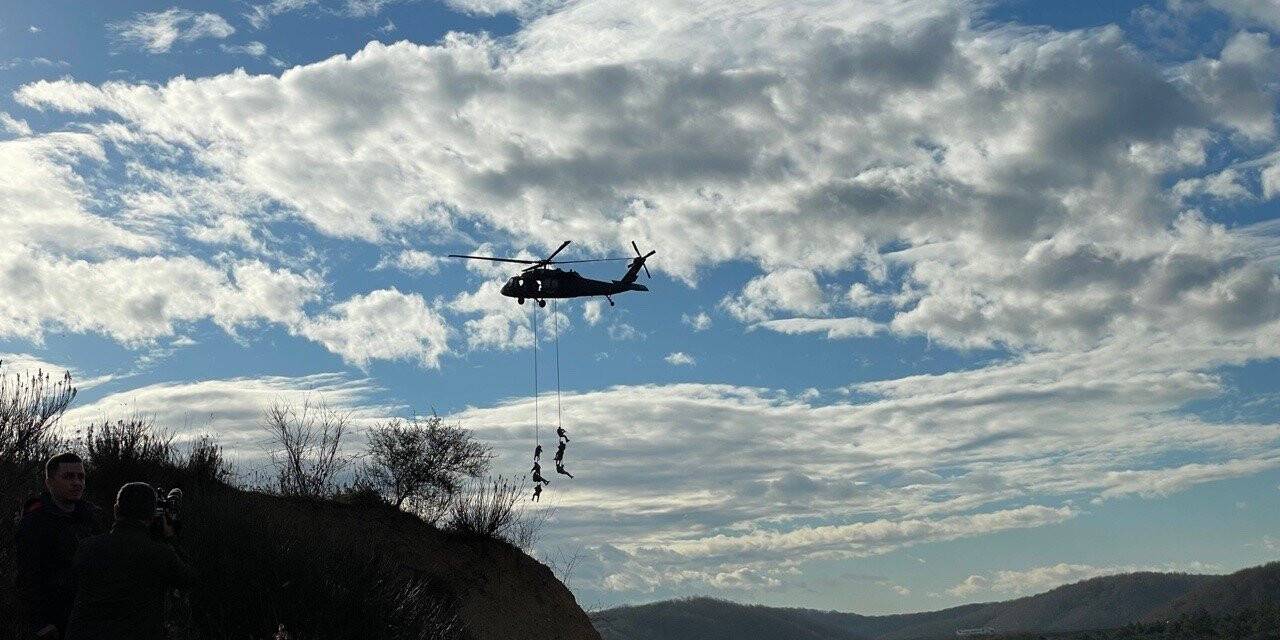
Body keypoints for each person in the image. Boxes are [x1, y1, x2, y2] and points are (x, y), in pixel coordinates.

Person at [64, 482, 196, 640]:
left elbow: (70, 589)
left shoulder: (87, 547)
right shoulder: (160, 553)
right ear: (152, 515)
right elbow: (188, 579)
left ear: (116, 510)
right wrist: (171, 538)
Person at [15, 452, 104, 639]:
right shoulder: (34, 522)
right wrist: (41, 625)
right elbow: (28, 577)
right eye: (68, 476)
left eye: (81, 477)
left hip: (91, 617)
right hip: (56, 620)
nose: (77, 482)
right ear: (49, 482)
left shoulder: (92, 517)